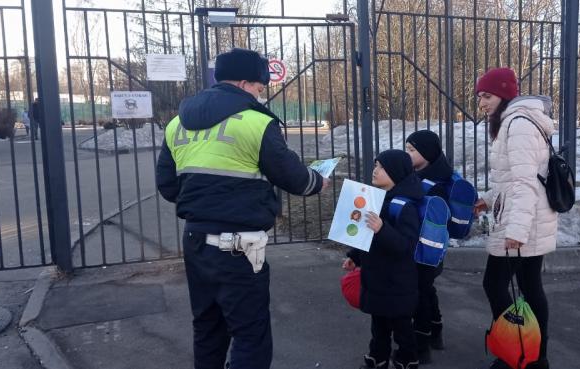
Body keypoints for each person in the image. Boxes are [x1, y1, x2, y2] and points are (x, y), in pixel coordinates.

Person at [156, 47, 330, 369]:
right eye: (259, 88)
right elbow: (293, 176)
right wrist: (318, 182)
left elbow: (168, 187)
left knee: (208, 329)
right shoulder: (255, 123)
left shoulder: (176, 124)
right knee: (251, 334)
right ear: (245, 83)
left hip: (195, 240)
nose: (261, 95)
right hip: (240, 246)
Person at [474, 67, 557, 369]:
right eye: (479, 96)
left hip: (522, 221)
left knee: (494, 285)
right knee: (530, 285)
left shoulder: (518, 124)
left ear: (505, 95)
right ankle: (534, 357)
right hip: (526, 216)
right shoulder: (513, 121)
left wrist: (517, 230)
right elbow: (511, 179)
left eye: (487, 96)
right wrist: (485, 200)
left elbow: (524, 183)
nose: (481, 103)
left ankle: (516, 352)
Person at [342, 150, 423, 369]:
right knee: (378, 325)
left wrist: (382, 229)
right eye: (375, 165)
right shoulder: (376, 199)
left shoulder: (406, 206)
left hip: (397, 283)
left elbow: (406, 246)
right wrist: (354, 257)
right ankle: (377, 358)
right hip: (377, 279)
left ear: (395, 172)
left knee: (401, 327)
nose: (375, 170)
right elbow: (367, 236)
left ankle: (408, 359)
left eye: (381, 167)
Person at [404, 130, 450, 363]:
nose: (407, 154)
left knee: (419, 294)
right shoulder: (419, 174)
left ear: (428, 153)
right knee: (426, 290)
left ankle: (421, 346)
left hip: (426, 251)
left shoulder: (434, 183)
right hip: (424, 249)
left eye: (412, 150)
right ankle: (436, 330)